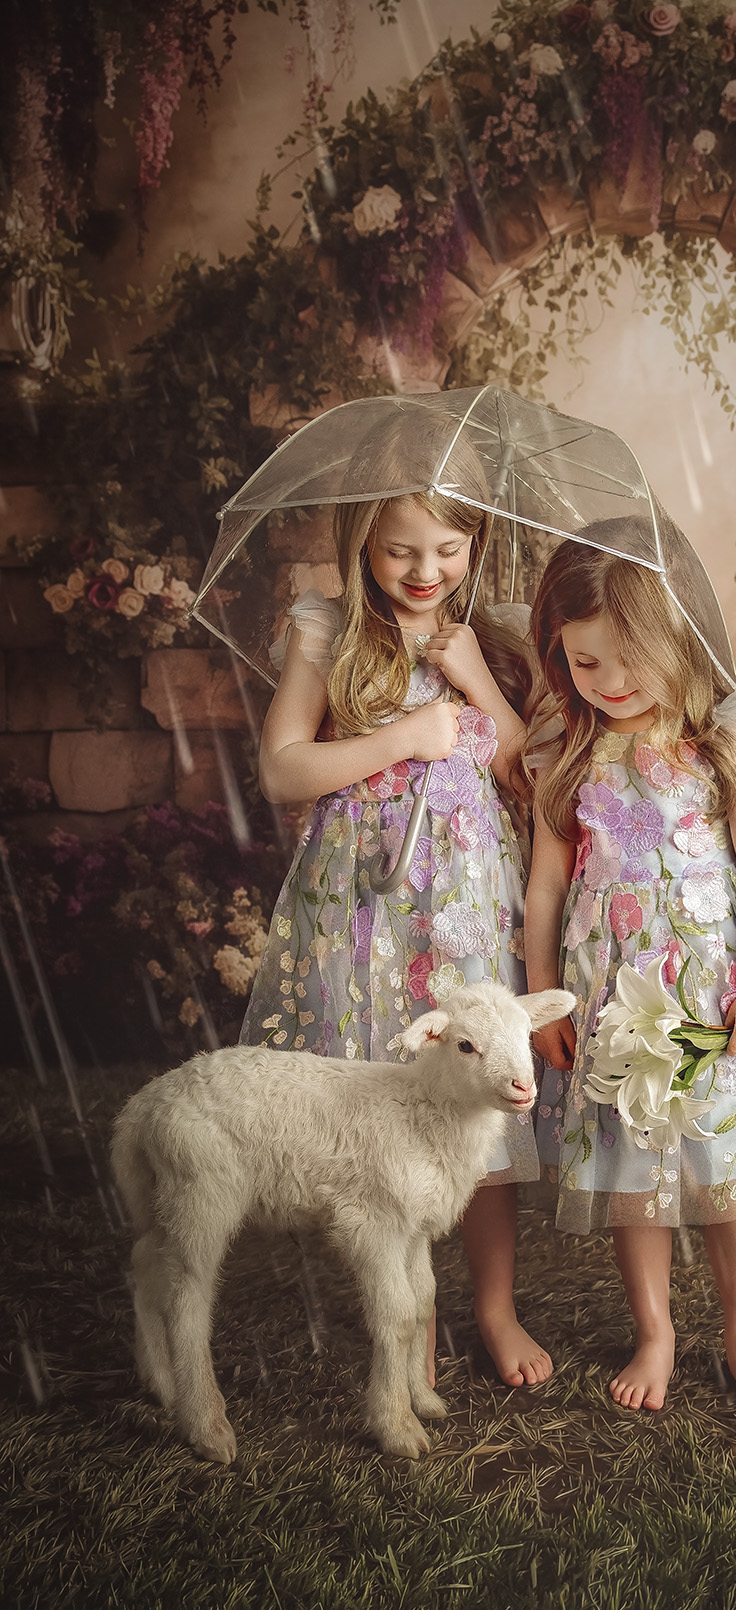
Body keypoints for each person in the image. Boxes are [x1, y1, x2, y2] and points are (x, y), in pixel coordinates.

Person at [522, 520, 736, 1415]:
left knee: (726, 1177)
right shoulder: (568, 749)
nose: (609, 682)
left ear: (677, 632)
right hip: (612, 1001)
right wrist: (542, 1004)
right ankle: (654, 1333)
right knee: (633, 1180)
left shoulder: (723, 739)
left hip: (710, 993)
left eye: (628, 657)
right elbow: (546, 894)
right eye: (584, 662)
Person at [243, 424, 552, 1390]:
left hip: (462, 904)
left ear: (478, 546)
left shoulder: (484, 633)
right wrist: (401, 738)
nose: (425, 571)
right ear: (360, 546)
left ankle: (494, 1310)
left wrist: (468, 680)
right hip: (363, 911)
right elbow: (284, 768)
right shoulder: (328, 628)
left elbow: (522, 767)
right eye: (399, 550)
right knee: (386, 1104)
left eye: (449, 550)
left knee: (476, 1107)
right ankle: (404, 1317)